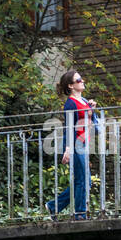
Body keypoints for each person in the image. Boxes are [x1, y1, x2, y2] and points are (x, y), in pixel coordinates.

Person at [47, 69, 95, 220]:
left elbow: (90, 123)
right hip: (74, 145)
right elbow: (68, 127)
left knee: (85, 181)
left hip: (83, 143)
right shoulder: (70, 104)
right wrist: (67, 149)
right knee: (83, 180)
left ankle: (54, 206)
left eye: (81, 79)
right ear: (71, 86)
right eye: (79, 80)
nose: (82, 81)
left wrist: (91, 110)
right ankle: (80, 215)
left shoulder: (85, 101)